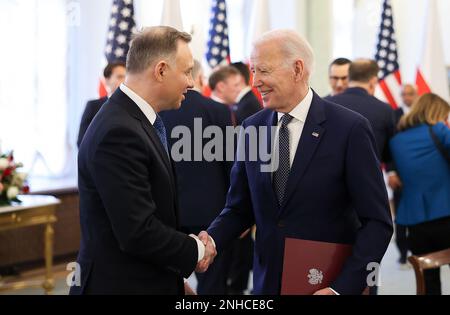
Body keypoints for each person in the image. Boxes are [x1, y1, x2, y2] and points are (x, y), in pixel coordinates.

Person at [201, 29, 393, 295]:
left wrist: (342, 288)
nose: (255, 81)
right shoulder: (251, 128)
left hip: (328, 282)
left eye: (263, 71)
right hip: (268, 284)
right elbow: (239, 209)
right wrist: (209, 241)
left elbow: (377, 222)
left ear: (297, 69)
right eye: (253, 71)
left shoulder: (350, 129)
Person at [70, 26, 216, 295]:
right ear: (160, 70)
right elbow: (138, 231)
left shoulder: (135, 120)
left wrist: (173, 280)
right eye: (186, 71)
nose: (192, 82)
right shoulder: (119, 131)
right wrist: (196, 249)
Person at [160, 60, 233, 294]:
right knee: (213, 282)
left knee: (169, 281)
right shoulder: (219, 111)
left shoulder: (159, 112)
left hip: (169, 212)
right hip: (211, 212)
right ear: (200, 79)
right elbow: (230, 165)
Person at [390, 93, 450, 295]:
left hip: (415, 223)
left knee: (429, 282)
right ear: (437, 112)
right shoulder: (439, 130)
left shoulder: (396, 141)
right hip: (446, 214)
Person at [328, 59, 395, 164]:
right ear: (373, 81)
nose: (339, 84)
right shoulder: (384, 109)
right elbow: (389, 152)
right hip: (369, 175)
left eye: (343, 78)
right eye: (335, 78)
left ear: (349, 77)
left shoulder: (324, 104)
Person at [388, 84, 418, 268]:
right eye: (404, 94)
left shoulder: (422, 115)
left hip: (418, 175)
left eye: (410, 94)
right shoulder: (393, 115)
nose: (407, 97)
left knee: (418, 216)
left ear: (416, 95)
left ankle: (417, 252)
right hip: (399, 175)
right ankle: (402, 253)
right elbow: (388, 146)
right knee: (400, 216)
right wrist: (391, 171)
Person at [77, 61, 126, 147]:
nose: (124, 81)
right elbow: (81, 142)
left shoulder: (132, 107)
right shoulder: (93, 106)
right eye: (120, 77)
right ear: (107, 80)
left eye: (126, 77)